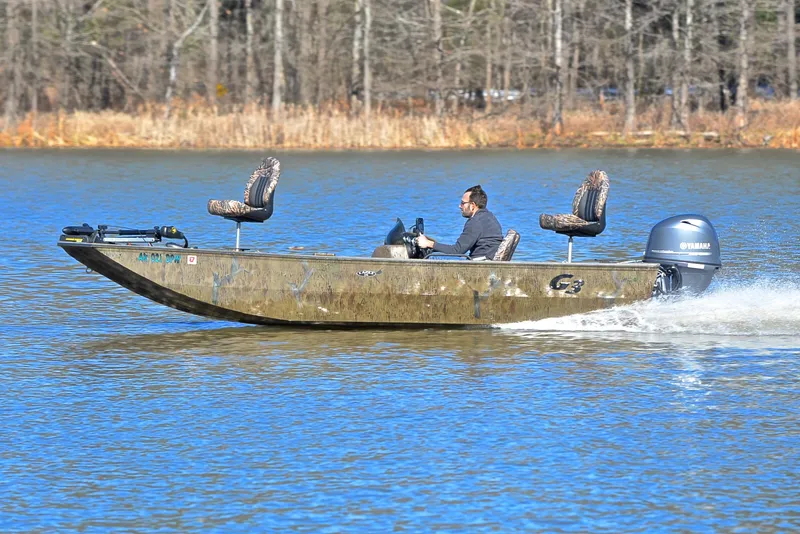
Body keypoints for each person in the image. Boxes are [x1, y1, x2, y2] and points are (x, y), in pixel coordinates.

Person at [416, 185, 503, 259]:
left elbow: (458, 250)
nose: (459, 206)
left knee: (434, 258)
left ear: (472, 205)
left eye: (463, 203)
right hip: (488, 263)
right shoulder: (491, 217)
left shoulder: (475, 222)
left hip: (479, 266)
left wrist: (428, 243)